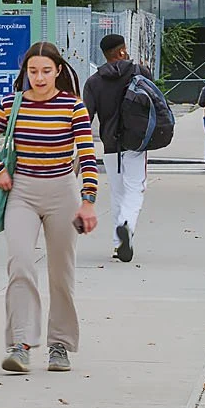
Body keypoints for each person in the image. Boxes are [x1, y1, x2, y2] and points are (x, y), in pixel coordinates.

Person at [0, 42, 100, 374]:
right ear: (25, 72)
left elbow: (87, 157)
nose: (40, 77)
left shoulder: (73, 107)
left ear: (58, 71)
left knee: (61, 272)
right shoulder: (12, 104)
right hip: (22, 192)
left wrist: (88, 201)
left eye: (46, 71)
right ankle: (21, 343)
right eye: (33, 71)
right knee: (19, 264)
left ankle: (59, 344)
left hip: (63, 191)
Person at [83, 32, 159, 262]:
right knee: (135, 189)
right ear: (122, 51)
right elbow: (155, 102)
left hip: (110, 145)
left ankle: (118, 246)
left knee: (118, 193)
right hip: (136, 143)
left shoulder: (93, 82)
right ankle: (126, 225)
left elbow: (85, 118)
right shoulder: (139, 72)